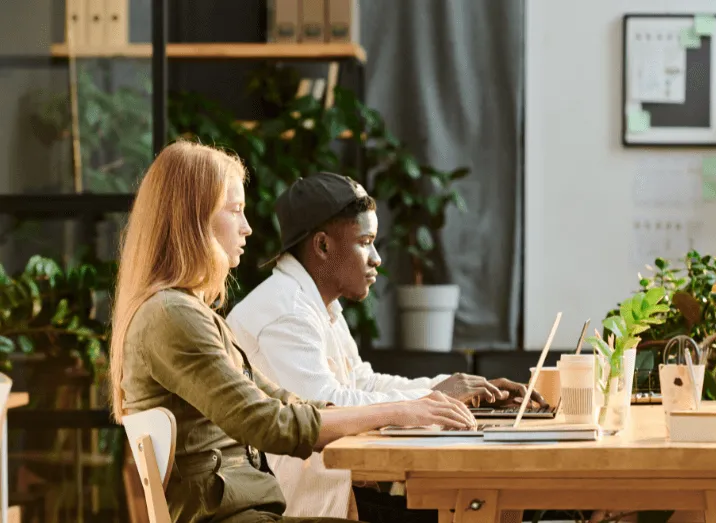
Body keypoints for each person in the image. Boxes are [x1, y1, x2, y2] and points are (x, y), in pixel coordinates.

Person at [109, 141, 476, 523]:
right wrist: (400, 410)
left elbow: (288, 403)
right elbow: (271, 425)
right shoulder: (172, 317)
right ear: (192, 219)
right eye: (235, 211)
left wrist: (408, 409)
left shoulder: (186, 313)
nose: (247, 228)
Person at [226, 172, 546, 521]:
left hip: (340, 488)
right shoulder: (285, 313)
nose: (376, 257)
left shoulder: (313, 302)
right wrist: (428, 402)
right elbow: (329, 409)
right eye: (365, 241)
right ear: (322, 246)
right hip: (305, 504)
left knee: (494, 505)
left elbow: (362, 382)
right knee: (484, 508)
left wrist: (446, 390)